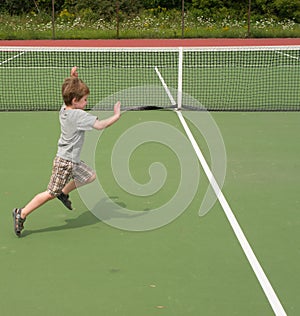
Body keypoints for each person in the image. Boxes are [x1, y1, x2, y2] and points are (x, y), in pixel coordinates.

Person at [12, 66, 121, 237]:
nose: (86, 103)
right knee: (50, 193)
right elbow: (100, 125)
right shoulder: (79, 116)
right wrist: (116, 116)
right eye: (85, 100)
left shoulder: (65, 109)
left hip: (73, 160)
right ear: (76, 100)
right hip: (64, 162)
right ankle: (22, 212)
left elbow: (68, 93)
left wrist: (73, 78)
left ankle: (64, 193)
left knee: (89, 176)